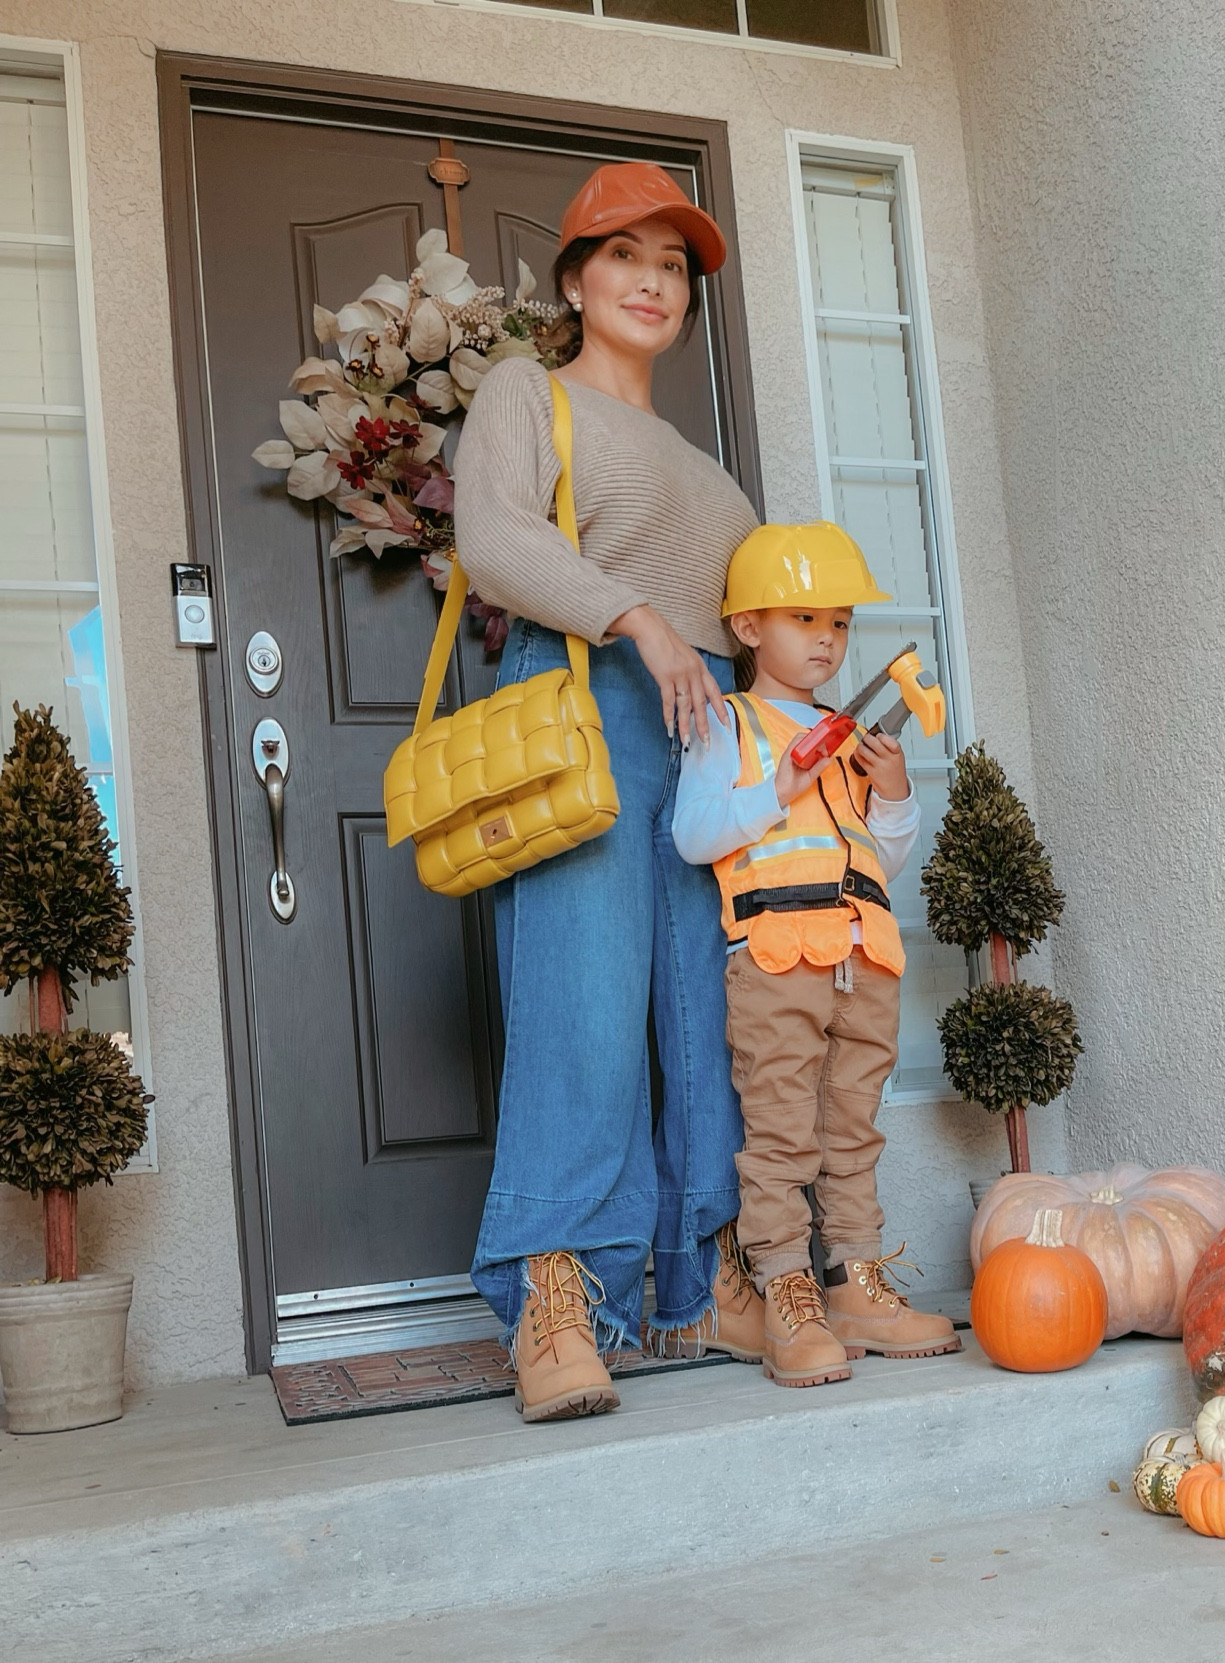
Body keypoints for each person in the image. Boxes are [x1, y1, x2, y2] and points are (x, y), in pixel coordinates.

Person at [452, 162, 764, 1423]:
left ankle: (706, 1279)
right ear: (575, 281)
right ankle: (556, 1299)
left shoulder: (709, 470)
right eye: (624, 256)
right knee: (581, 1004)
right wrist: (639, 617)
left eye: (672, 266)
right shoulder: (529, 394)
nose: (652, 282)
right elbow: (493, 537)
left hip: (712, 738)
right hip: (586, 702)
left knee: (713, 1012)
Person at [672, 523, 962, 1387]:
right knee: (780, 1133)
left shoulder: (848, 734)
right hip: (775, 959)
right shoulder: (728, 722)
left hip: (863, 961)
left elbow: (879, 857)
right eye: (803, 619)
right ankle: (786, 1294)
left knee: (852, 1131)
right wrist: (777, 789)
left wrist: (894, 793)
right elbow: (693, 834)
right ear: (748, 627)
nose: (826, 639)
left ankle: (854, 1283)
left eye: (837, 622)